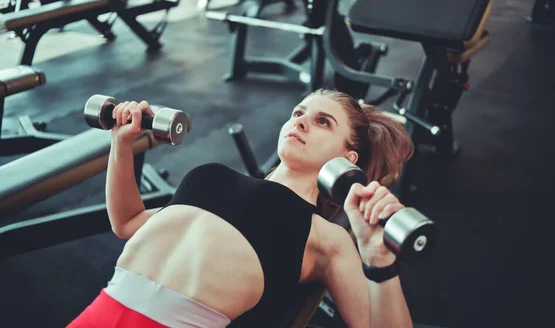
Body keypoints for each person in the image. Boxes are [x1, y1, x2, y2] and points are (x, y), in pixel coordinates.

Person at [67, 88, 415, 328]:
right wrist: (121, 143)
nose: (300, 122)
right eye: (298, 113)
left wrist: (379, 261)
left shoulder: (326, 237)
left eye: (323, 121)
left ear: (347, 158)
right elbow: (128, 222)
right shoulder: (212, 177)